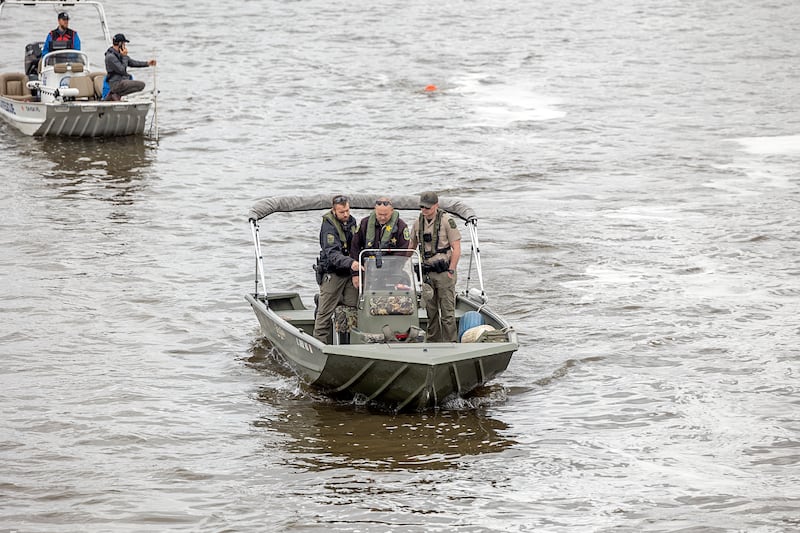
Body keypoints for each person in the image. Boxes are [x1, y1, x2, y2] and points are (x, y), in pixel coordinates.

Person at [408, 191, 462, 342]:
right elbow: (411, 246)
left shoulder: (446, 221)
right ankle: (433, 340)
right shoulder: (418, 222)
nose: (424, 210)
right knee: (431, 312)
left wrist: (451, 269)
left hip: (444, 272)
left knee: (447, 313)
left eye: (427, 208)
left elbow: (456, 248)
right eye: (422, 207)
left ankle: (451, 342)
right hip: (427, 274)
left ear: (436, 206)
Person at [312, 195, 362, 343]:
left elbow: (357, 245)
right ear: (334, 211)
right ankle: (319, 344)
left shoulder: (352, 221)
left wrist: (356, 269)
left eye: (347, 210)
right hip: (333, 273)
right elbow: (332, 253)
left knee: (355, 306)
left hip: (350, 273)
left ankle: (351, 343)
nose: (346, 214)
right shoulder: (328, 226)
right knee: (325, 313)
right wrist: (350, 263)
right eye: (342, 212)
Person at [349, 196, 411, 289]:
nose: (382, 217)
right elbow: (355, 248)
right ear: (375, 210)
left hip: (392, 271)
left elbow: (403, 251)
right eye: (379, 214)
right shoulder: (364, 223)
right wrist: (356, 274)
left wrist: (390, 271)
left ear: (392, 211)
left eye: (385, 214)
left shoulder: (401, 226)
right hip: (369, 269)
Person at [103, 33, 156, 101]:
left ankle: (116, 95)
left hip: (121, 81)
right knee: (140, 84)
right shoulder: (110, 57)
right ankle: (113, 94)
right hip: (115, 83)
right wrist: (124, 56)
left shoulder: (119, 54)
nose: (125, 46)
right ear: (120, 44)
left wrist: (147, 63)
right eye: (124, 44)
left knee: (141, 86)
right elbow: (122, 70)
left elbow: (132, 62)